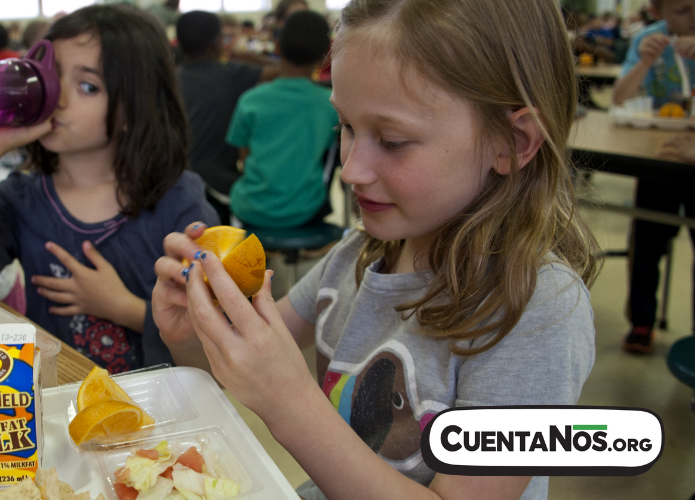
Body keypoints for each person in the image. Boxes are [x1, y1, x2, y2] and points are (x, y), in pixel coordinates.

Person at [153, 0, 599, 498]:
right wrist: (194, 333)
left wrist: (291, 405)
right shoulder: (357, 254)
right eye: (345, 126)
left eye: (391, 140)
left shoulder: (541, 313)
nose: (350, 170)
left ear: (512, 143)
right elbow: (247, 365)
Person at [0, 5, 218, 373]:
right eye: (52, 76)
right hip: (59, 408)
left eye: (88, 86)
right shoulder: (21, 199)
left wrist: (122, 307)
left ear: (136, 107)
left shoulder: (179, 202)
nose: (57, 98)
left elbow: (212, 335)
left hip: (157, 413)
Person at [611, 0, 695, 353]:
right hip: (659, 154)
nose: (693, 18)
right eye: (683, 10)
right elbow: (619, 98)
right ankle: (642, 320)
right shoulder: (649, 39)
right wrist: (644, 61)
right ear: (659, 12)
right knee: (646, 242)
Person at [225, 10, 338, 229]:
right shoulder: (330, 105)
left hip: (251, 208)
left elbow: (244, 157)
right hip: (305, 209)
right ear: (327, 55)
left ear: (277, 47)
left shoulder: (251, 99)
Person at [175, 11, 278, 224]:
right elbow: (286, 70)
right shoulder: (231, 73)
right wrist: (242, 53)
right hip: (219, 181)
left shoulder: (172, 77)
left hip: (177, 179)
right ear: (216, 42)